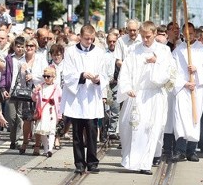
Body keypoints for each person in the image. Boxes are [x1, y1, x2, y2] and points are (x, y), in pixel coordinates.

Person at [118, 21, 174, 175]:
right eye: (142, 37)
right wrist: (127, 88)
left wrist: (157, 63)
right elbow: (125, 71)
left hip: (154, 95)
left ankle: (145, 163)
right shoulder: (134, 51)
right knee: (133, 128)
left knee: (152, 128)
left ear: (155, 34)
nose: (145, 40)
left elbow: (169, 72)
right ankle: (132, 160)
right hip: (137, 95)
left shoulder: (164, 51)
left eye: (148, 36)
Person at [61, 24, 108, 174]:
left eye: (91, 39)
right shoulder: (70, 52)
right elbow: (67, 74)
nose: (89, 41)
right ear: (80, 37)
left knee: (92, 130)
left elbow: (105, 73)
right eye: (86, 39)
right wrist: (81, 75)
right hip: (77, 98)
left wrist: (98, 79)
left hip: (92, 96)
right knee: (77, 132)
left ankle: (92, 161)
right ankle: (79, 163)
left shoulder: (99, 53)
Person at [170, 26, 203, 162]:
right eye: (186, 33)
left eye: (191, 33)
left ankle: (192, 150)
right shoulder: (177, 51)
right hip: (182, 89)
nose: (189, 36)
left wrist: (197, 70)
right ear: (183, 34)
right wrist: (183, 83)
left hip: (196, 89)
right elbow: (172, 72)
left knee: (194, 118)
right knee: (180, 118)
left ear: (195, 33)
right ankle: (180, 149)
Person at [32, 67, 62, 157]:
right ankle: (45, 149)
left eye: (48, 76)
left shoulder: (57, 87)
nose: (46, 78)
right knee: (43, 131)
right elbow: (34, 99)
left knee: (52, 130)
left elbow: (60, 100)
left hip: (52, 110)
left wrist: (60, 113)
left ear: (53, 77)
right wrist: (35, 92)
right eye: (44, 76)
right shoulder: (40, 86)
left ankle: (50, 149)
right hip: (42, 110)